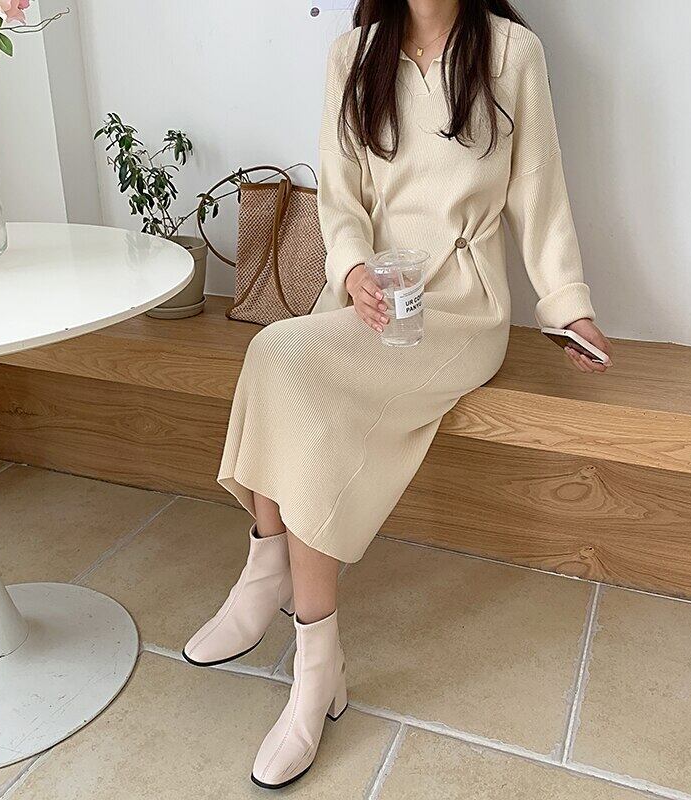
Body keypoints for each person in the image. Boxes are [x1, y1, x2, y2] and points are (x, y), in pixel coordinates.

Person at [184, 0, 612, 789]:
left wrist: (565, 305)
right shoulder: (353, 54)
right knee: (283, 365)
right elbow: (341, 195)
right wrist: (351, 271)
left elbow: (540, 191)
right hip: (369, 296)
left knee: (286, 362)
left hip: (459, 309)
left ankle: (284, 605)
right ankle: (309, 642)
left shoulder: (512, 53)